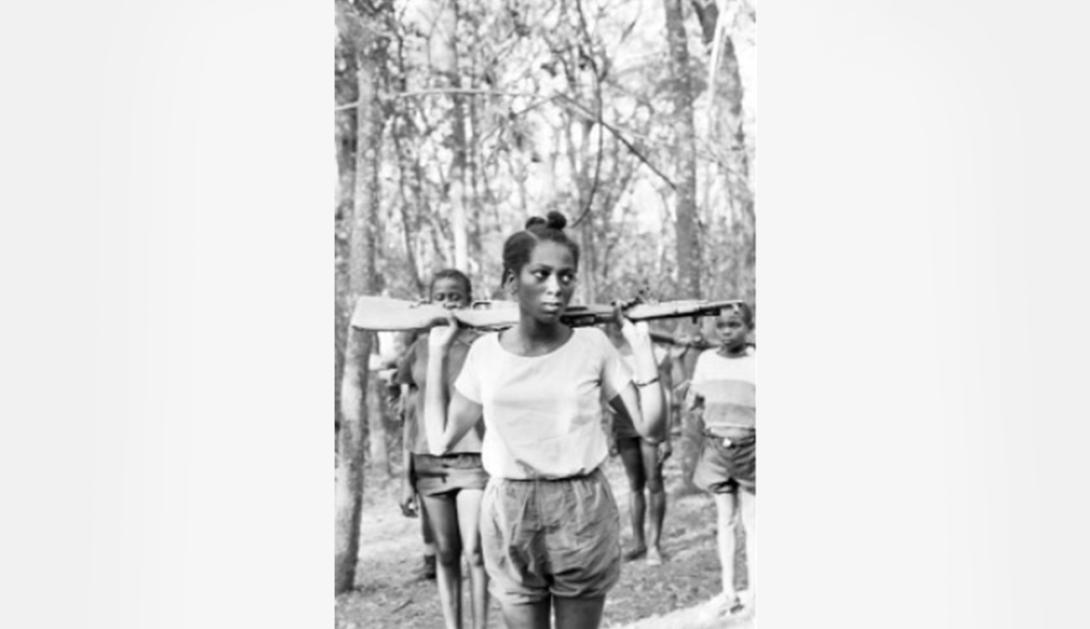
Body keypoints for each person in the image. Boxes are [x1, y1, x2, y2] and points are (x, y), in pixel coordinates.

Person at [423, 212, 667, 629]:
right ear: (512, 281)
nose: (556, 288)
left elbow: (651, 428)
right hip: (509, 510)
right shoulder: (484, 352)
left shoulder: (592, 345)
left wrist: (640, 347)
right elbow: (440, 441)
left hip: (580, 508)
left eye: (566, 276)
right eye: (541, 274)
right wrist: (437, 354)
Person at [395, 269, 490, 629]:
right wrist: (406, 478)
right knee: (446, 552)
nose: (448, 303)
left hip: (474, 459)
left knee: (475, 551)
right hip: (429, 464)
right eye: (441, 296)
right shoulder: (417, 350)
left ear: (468, 299)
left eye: (456, 296)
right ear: (429, 301)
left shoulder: (482, 345)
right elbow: (410, 417)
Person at [687, 302, 756, 619]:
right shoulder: (706, 360)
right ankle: (728, 590)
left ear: (748, 327)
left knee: (754, 524)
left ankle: (756, 593)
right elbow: (694, 403)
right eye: (722, 326)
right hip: (716, 446)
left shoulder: (758, 361)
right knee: (725, 521)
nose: (727, 331)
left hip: (751, 446)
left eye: (735, 325)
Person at [603, 322, 673, 567]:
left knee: (654, 482)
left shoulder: (656, 354)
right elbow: (613, 399)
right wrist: (611, 433)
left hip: (652, 422)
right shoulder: (610, 355)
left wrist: (666, 435)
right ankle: (638, 542)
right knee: (634, 485)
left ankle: (654, 545)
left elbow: (667, 394)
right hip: (624, 424)